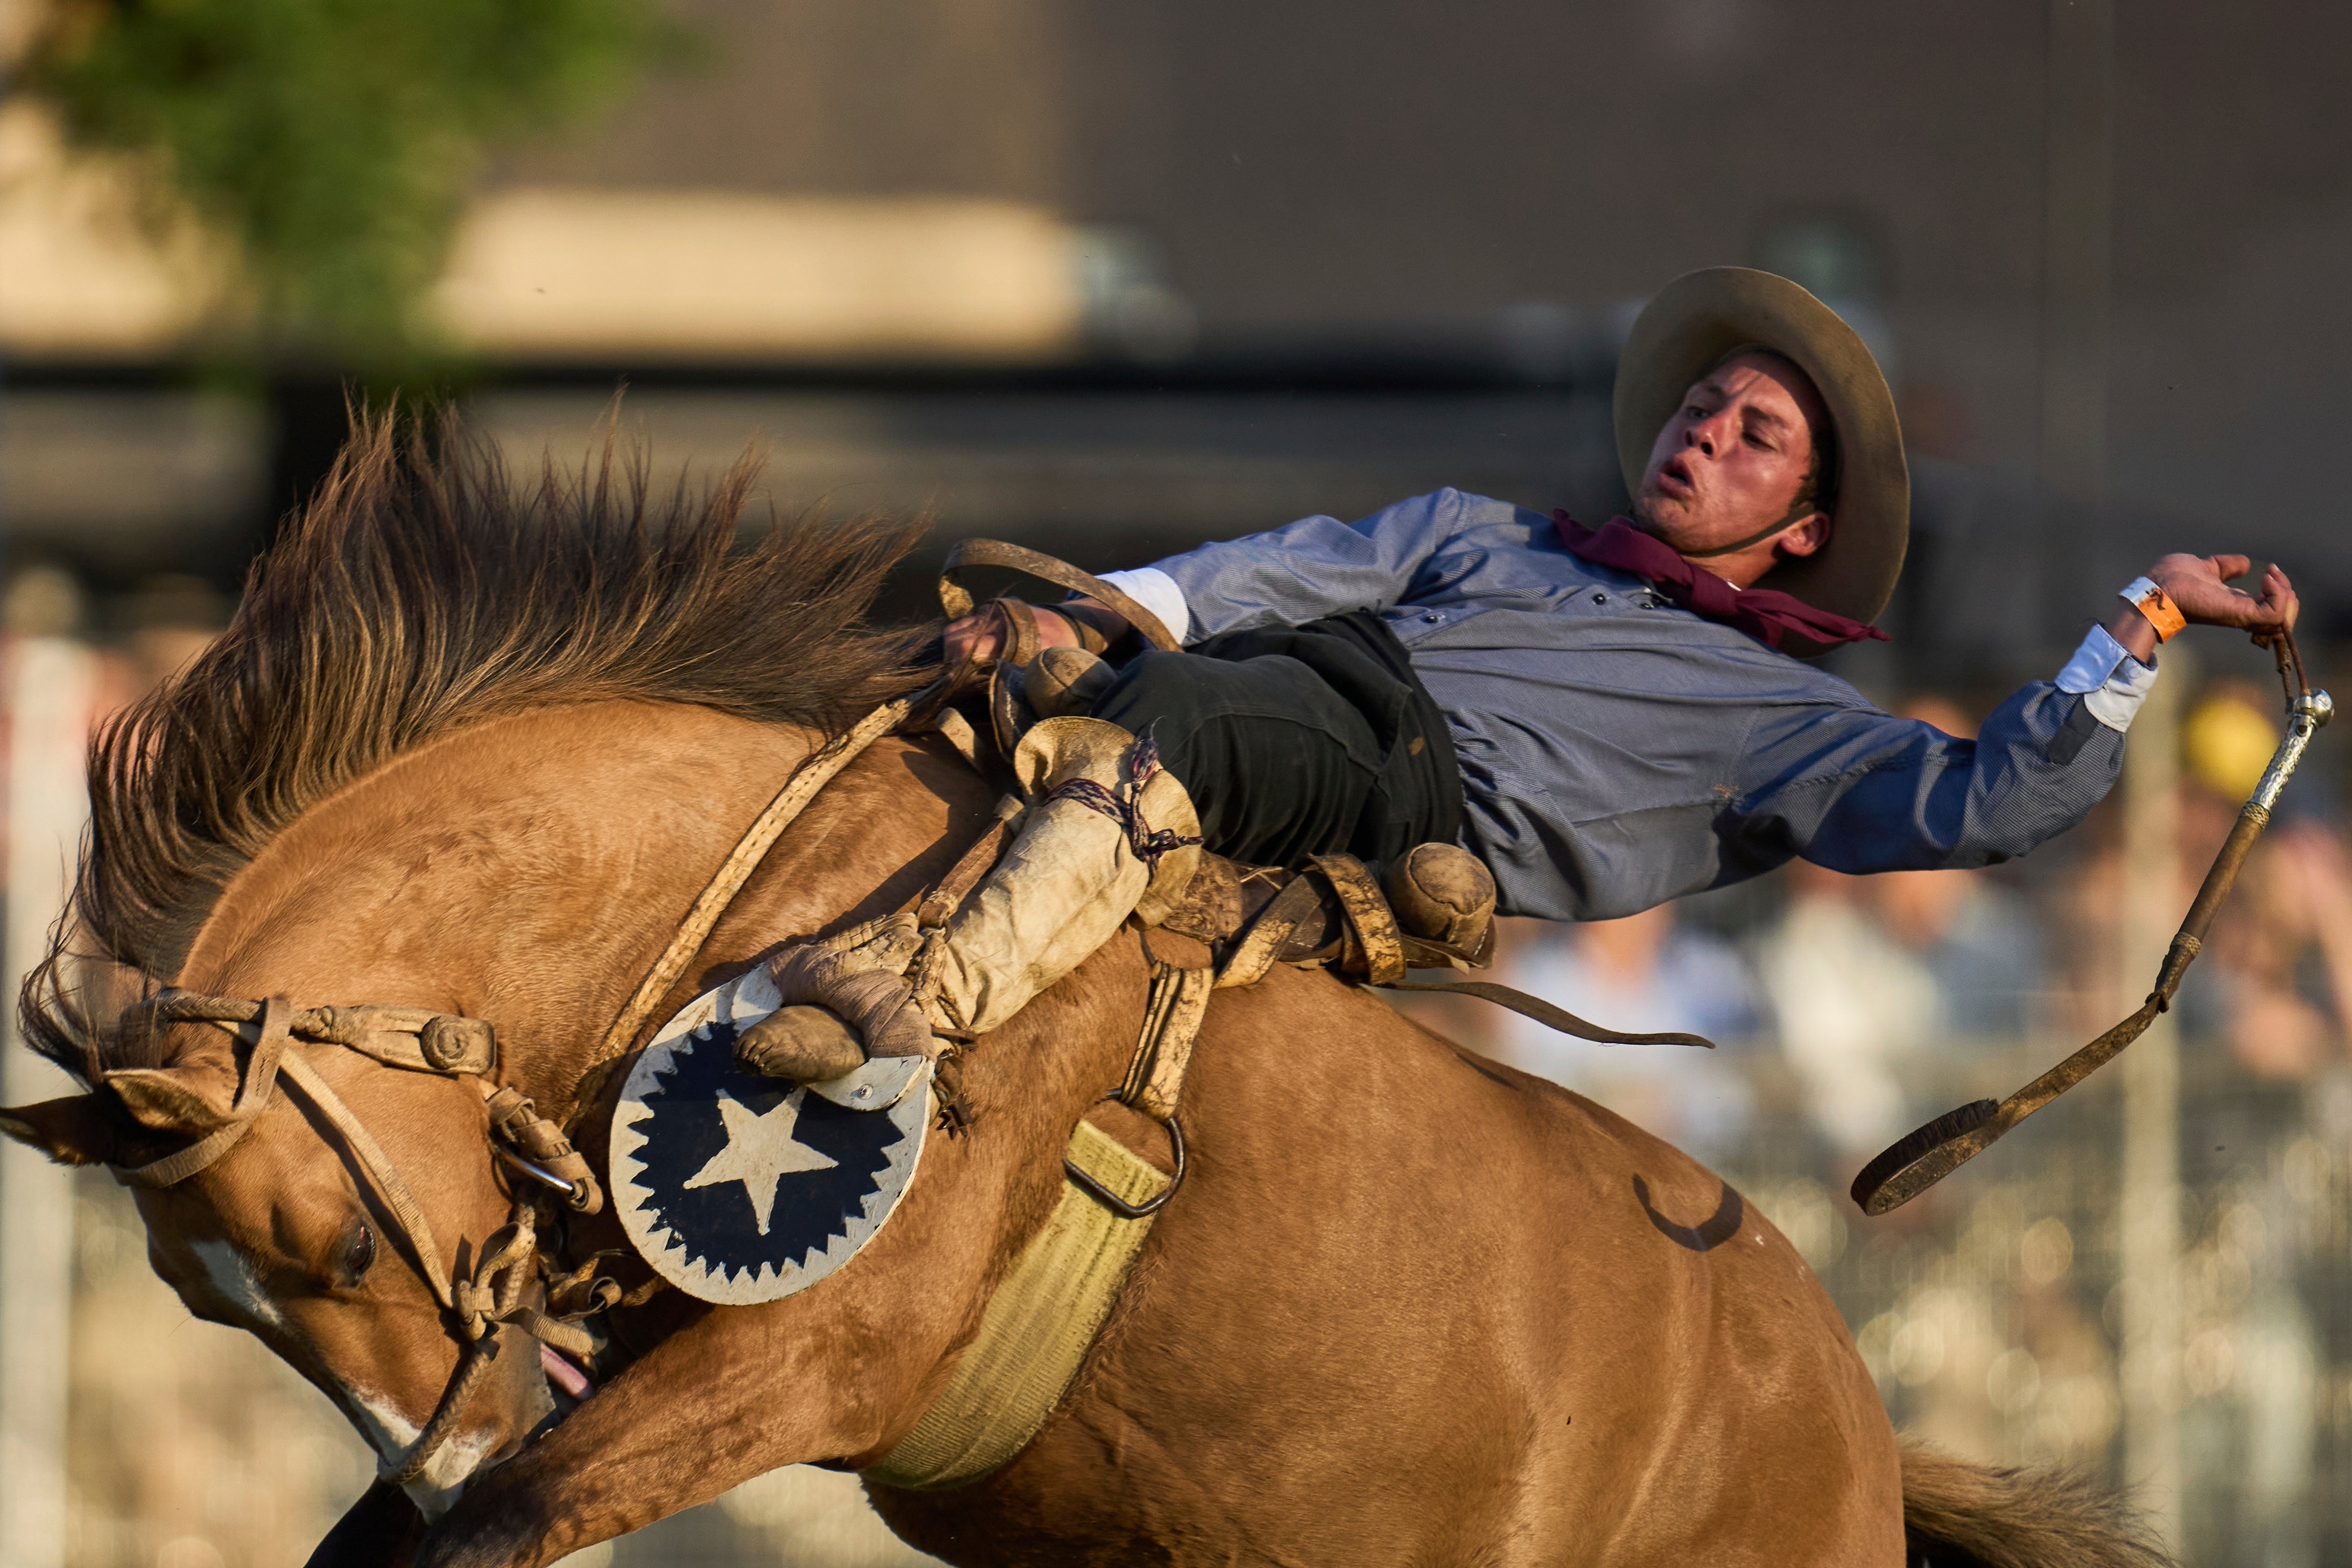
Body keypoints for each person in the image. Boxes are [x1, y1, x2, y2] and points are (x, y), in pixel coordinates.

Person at [753, 268, 2300, 1073]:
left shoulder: (1792, 719)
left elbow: (1983, 804)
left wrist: (2138, 626)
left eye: (1752, 435)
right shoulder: (1482, 529)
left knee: (1189, 706)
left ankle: (922, 1004)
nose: (1702, 430)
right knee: (1002, 670)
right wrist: (1087, 613)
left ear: (1804, 523)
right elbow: (1274, 571)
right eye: (1702, 405)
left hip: (1411, 790)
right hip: (1295, 689)